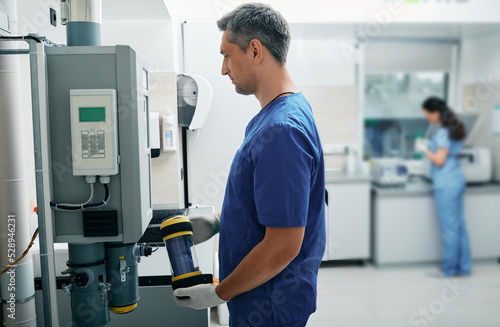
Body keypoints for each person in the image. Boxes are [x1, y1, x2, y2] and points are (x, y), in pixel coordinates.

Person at [172, 3, 326, 326]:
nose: (224, 69)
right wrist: (219, 220)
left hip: (268, 306)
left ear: (255, 50)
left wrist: (218, 293)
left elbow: (283, 244)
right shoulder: (278, 114)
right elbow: (269, 205)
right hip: (262, 300)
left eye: (227, 55)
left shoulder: (282, 130)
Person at [418, 96, 471, 277]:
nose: (427, 118)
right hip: (456, 179)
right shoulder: (455, 128)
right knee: (459, 227)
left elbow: (439, 160)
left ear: (436, 113)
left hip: (445, 183)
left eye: (427, 114)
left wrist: (425, 150)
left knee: (450, 228)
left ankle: (448, 269)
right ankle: (464, 267)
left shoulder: (442, 132)